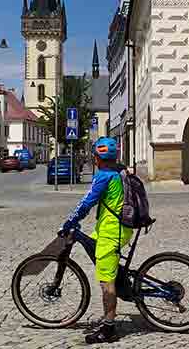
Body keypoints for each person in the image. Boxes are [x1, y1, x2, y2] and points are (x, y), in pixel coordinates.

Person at [60, 137, 131, 344]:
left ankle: (109, 329)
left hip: (113, 232)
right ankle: (118, 276)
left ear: (97, 158)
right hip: (110, 228)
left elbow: (87, 203)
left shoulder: (104, 177)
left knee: (106, 282)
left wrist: (70, 220)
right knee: (92, 246)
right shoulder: (119, 170)